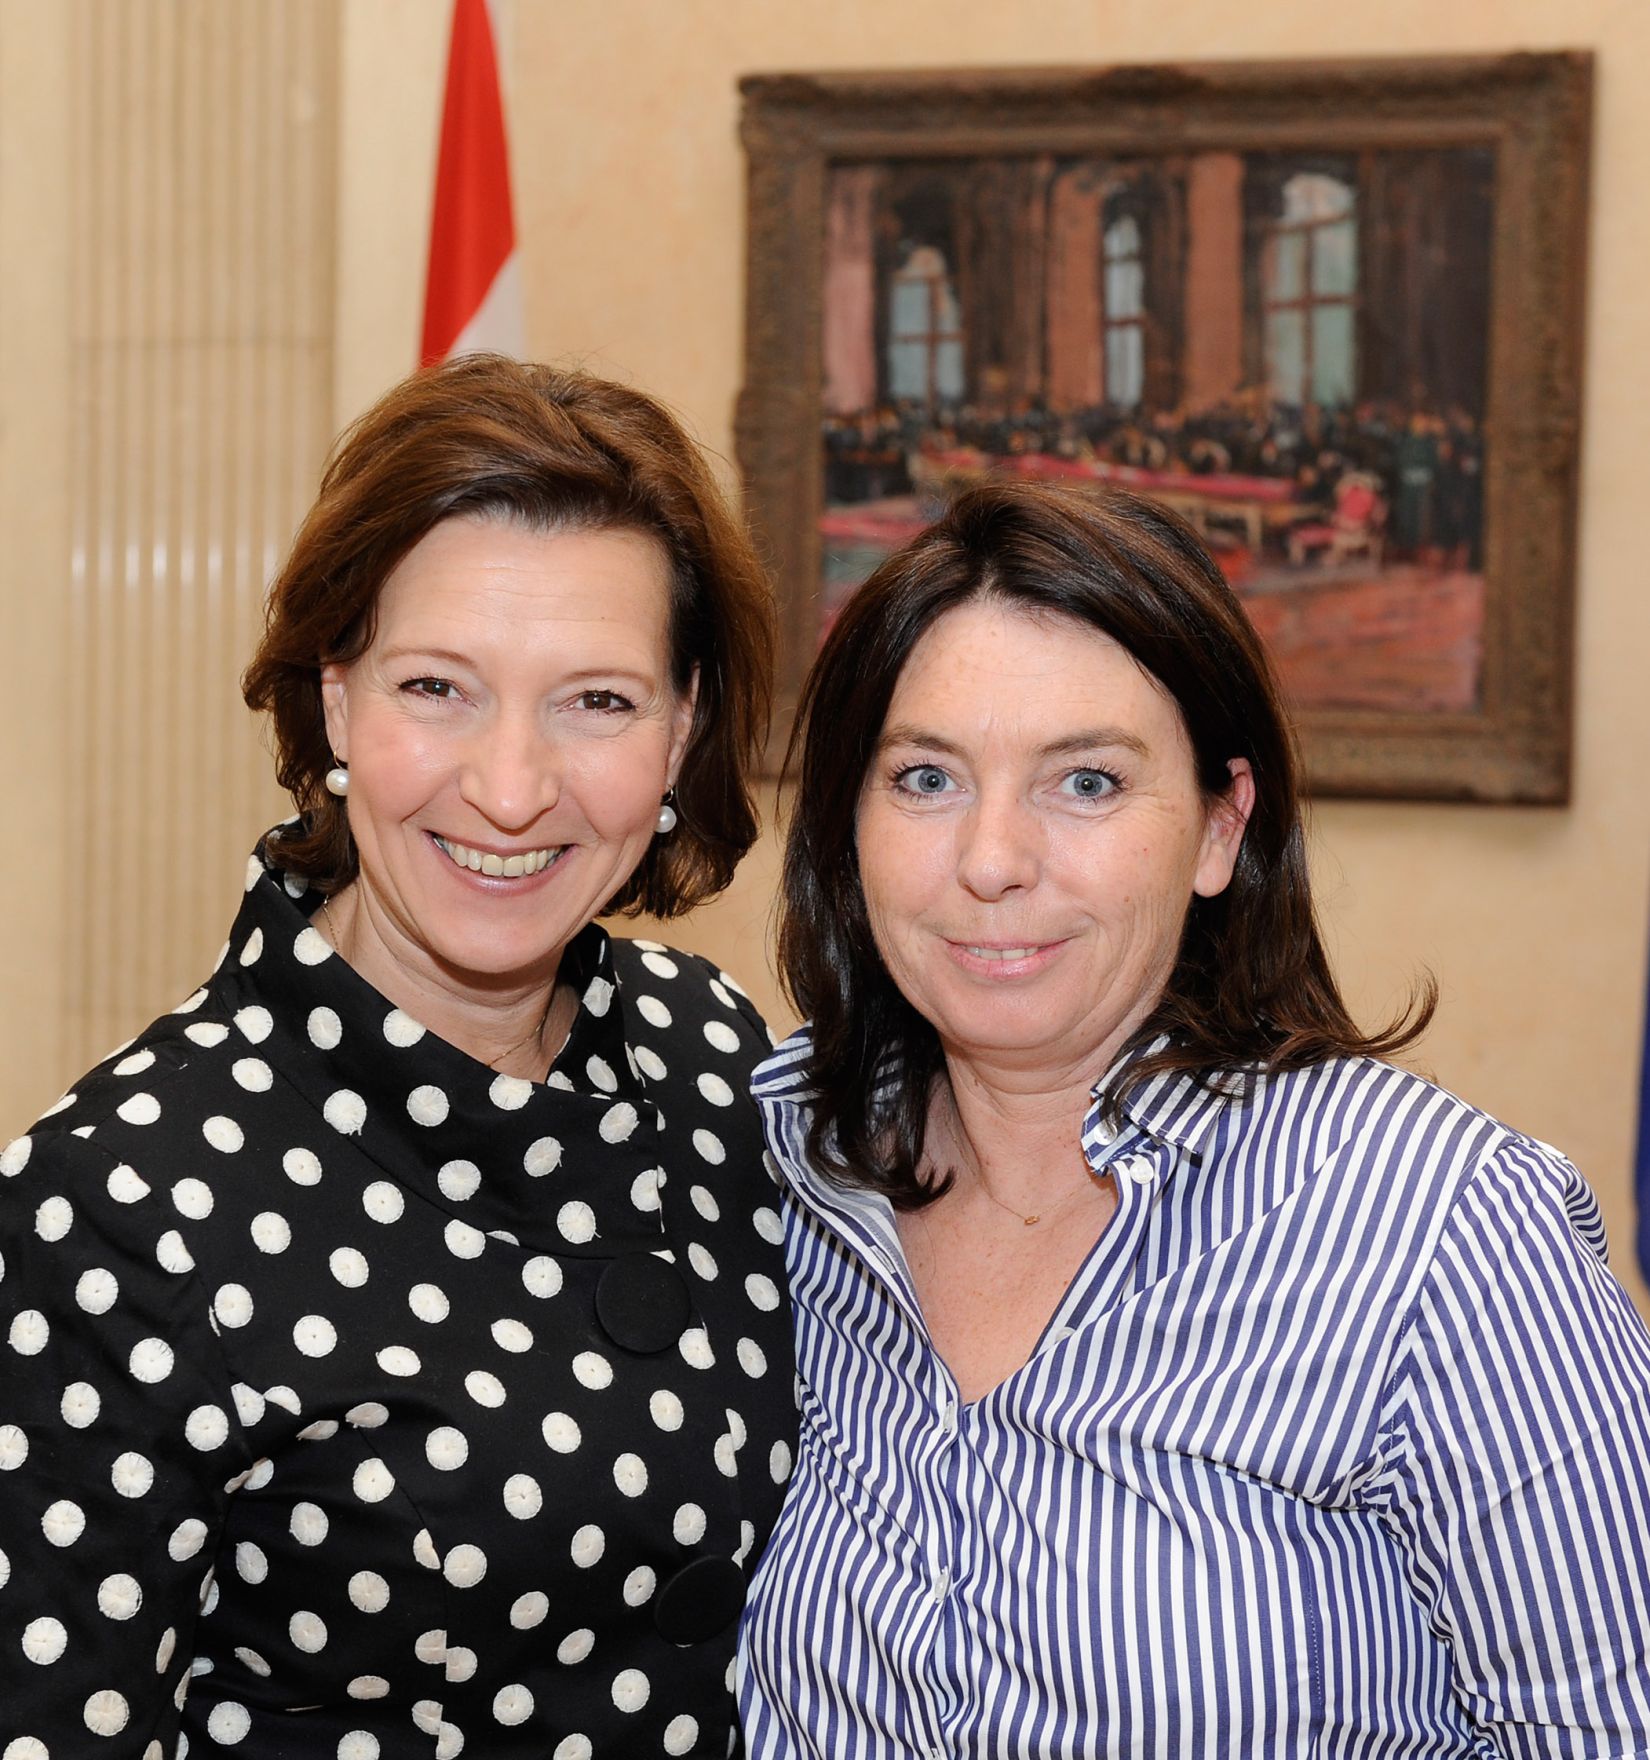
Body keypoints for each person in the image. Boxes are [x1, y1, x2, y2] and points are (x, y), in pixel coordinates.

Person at [738, 481, 1650, 1758]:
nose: (992, 858)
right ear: (848, 821)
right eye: (928, 775)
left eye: (1089, 781)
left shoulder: (1443, 1231)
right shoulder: (769, 1163)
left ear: (1224, 824)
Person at [0, 354, 795, 1758]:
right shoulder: (116, 1200)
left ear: (682, 733)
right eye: (438, 686)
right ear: (337, 703)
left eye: (597, 702)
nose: (507, 784)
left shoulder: (711, 1051)